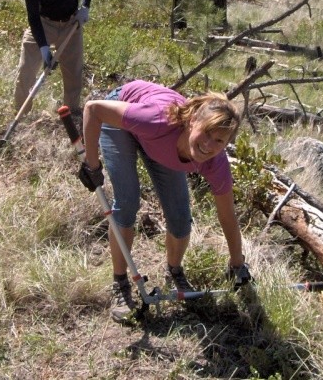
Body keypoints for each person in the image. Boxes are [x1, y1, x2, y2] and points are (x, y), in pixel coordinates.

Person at [79, 80, 252, 322]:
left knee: (180, 218)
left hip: (161, 142)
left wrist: (237, 263)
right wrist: (92, 164)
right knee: (127, 202)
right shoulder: (158, 120)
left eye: (219, 141)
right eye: (207, 133)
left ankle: (174, 271)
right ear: (192, 121)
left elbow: (227, 216)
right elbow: (93, 109)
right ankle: (120, 283)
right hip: (126, 113)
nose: (208, 145)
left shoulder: (216, 163)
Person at [14, 0, 94, 114]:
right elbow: (33, 17)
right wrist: (43, 48)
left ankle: (70, 114)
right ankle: (21, 114)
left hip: (71, 24)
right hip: (43, 24)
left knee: (73, 73)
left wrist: (85, 7)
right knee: (26, 70)